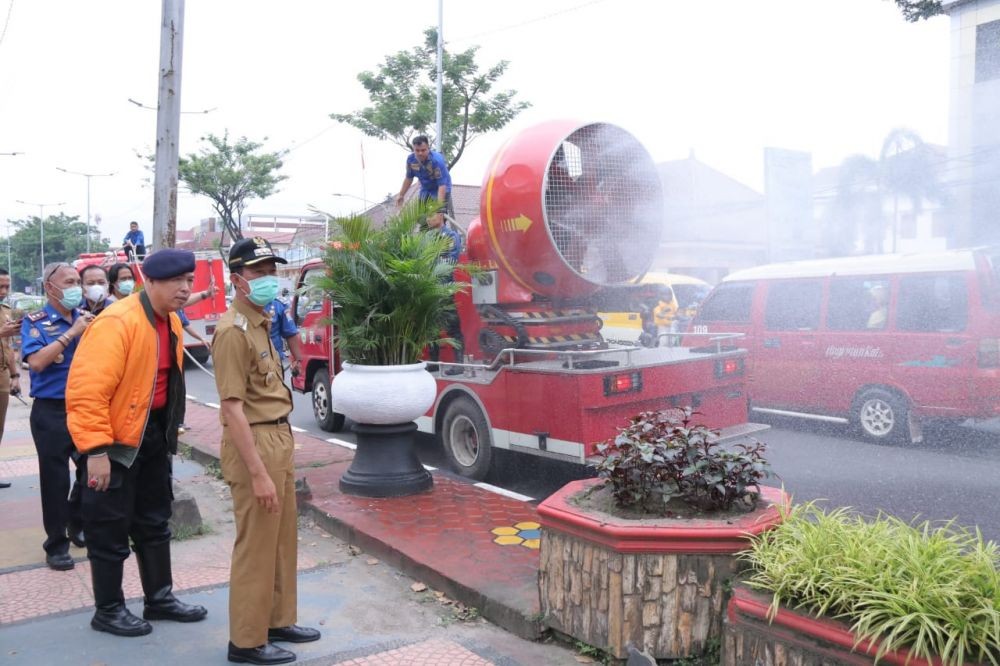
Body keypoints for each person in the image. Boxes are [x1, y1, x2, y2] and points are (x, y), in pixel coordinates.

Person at [66, 249, 208, 637]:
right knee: (109, 527)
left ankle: (159, 598)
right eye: (175, 282)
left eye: (189, 281)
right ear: (151, 282)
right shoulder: (118, 321)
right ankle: (108, 610)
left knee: (154, 520)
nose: (184, 289)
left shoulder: (171, 323)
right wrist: (95, 451)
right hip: (113, 444)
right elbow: (86, 392)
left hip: (153, 438)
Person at [212, 236, 320, 665]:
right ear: (238, 280)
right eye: (259, 273)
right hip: (253, 441)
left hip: (277, 437)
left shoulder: (261, 320)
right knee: (256, 545)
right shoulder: (232, 332)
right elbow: (233, 409)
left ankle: (276, 620)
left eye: (272, 271)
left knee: (280, 541)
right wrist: (256, 472)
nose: (269, 280)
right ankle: (246, 641)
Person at [22, 262, 93, 570]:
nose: (77, 286)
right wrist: (70, 335)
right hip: (51, 411)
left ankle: (76, 522)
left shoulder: (87, 319)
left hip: (85, 407)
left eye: (78, 281)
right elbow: (37, 362)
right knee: (55, 480)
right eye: (69, 281)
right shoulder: (35, 321)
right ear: (50, 288)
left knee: (92, 471)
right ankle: (56, 544)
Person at [425, 214, 464, 376]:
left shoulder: (450, 236)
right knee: (431, 327)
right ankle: (433, 362)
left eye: (431, 215)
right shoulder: (426, 237)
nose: (428, 219)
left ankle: (459, 364)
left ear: (441, 216)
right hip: (429, 287)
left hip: (444, 285)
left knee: (452, 325)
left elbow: (451, 260)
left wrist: (433, 269)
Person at [395, 135, 454, 224]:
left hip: (441, 188)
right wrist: (401, 194)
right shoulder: (411, 160)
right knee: (421, 217)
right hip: (425, 188)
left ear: (428, 148)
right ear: (413, 150)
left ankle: (440, 234)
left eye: (423, 150)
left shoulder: (436, 161)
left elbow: (442, 186)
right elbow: (409, 178)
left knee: (437, 218)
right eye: (417, 150)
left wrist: (438, 209)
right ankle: (424, 235)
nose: (420, 153)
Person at [0, 268, 21, 489]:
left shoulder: (5, 310)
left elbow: (8, 347)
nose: (4, 291)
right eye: (0, 287)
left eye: (7, 286)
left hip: (2, 375)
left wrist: (15, 376)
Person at [264, 297, 302, 376]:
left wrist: (298, 360)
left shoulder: (278, 305)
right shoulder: (241, 306)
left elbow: (290, 333)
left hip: (274, 363)